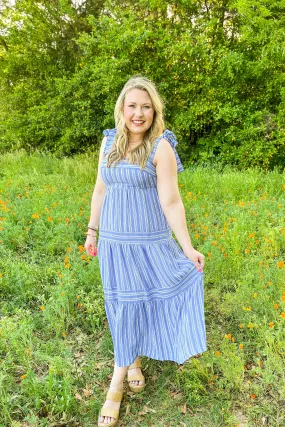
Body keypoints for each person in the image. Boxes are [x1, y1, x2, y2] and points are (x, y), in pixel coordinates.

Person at [84, 75, 207, 427]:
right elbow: (100, 190)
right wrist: (92, 230)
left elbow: (171, 201)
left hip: (148, 245)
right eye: (133, 106)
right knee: (120, 305)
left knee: (136, 303)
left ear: (155, 111)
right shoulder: (108, 142)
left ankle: (115, 386)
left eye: (146, 107)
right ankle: (132, 361)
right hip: (113, 246)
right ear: (122, 109)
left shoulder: (160, 147)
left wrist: (187, 247)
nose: (139, 113)